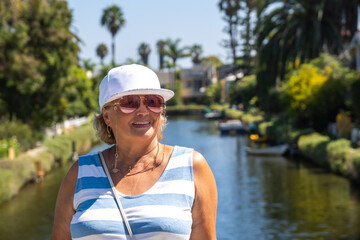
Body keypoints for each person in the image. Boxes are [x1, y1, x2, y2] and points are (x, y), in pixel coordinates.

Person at [51, 64, 217, 240]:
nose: (144, 111)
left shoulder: (192, 167)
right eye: (130, 103)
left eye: (153, 102)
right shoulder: (80, 173)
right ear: (107, 115)